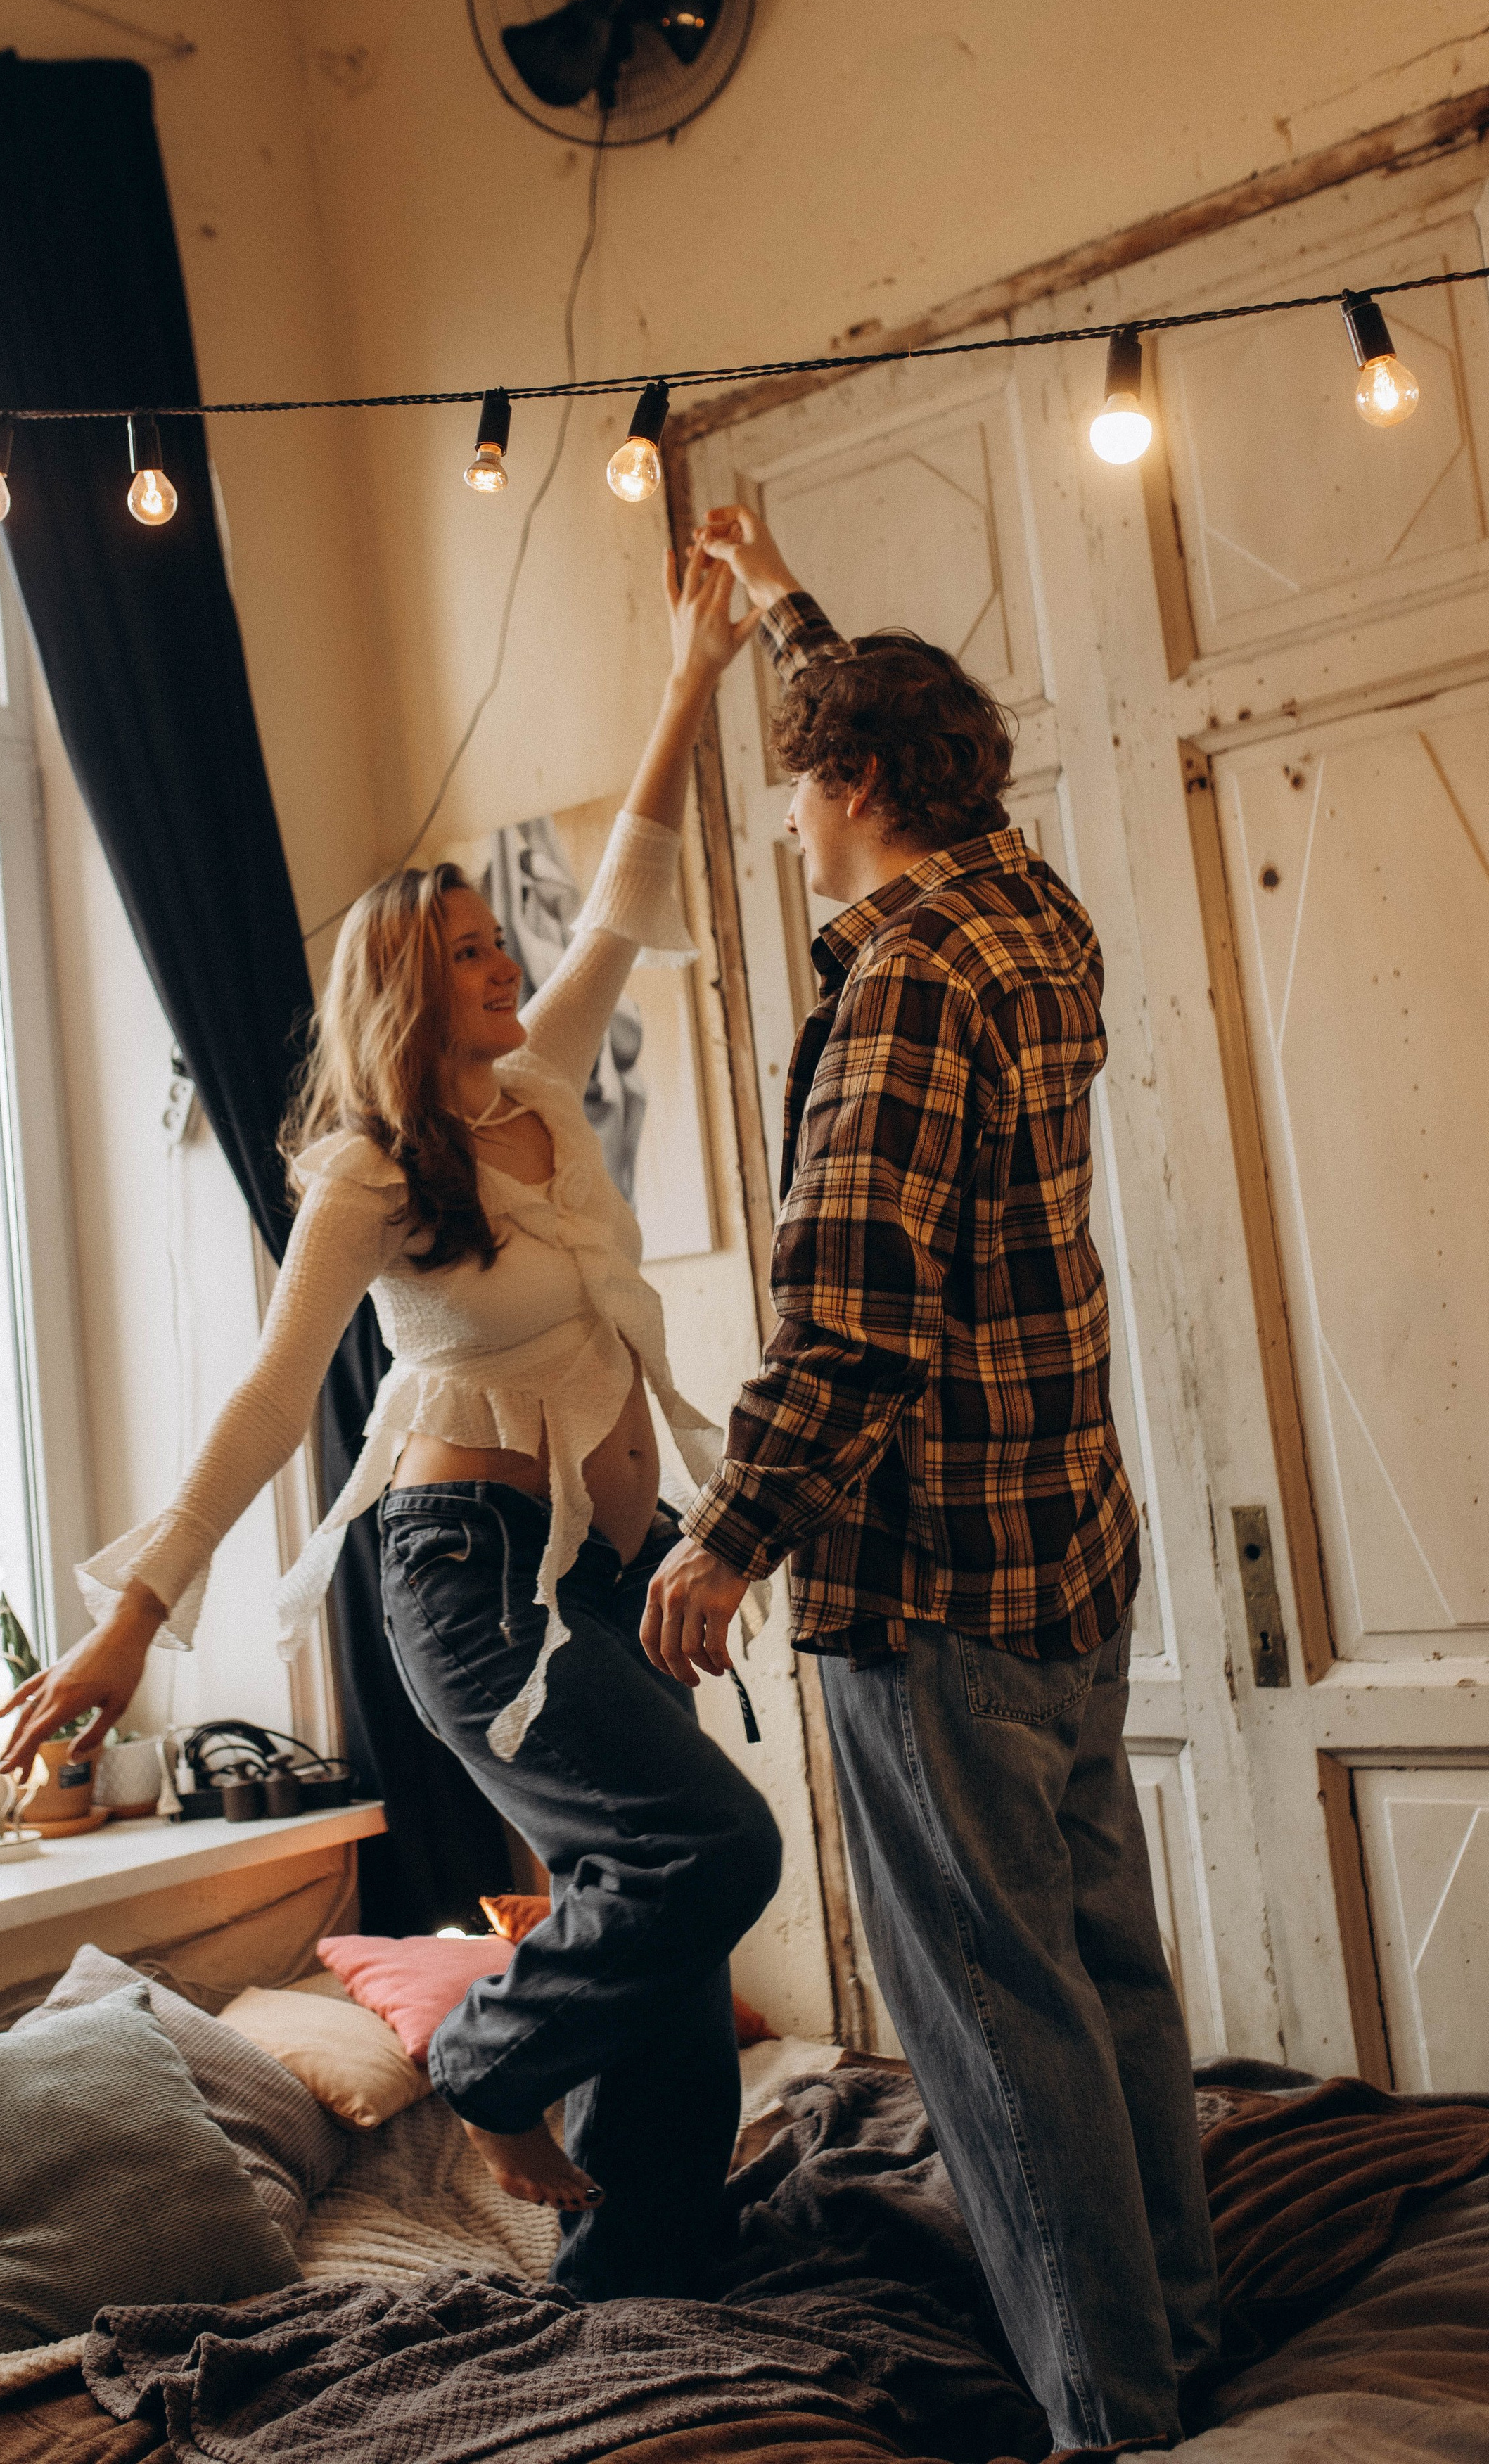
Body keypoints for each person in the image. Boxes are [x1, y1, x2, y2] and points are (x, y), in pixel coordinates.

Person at [0, 540, 781, 2304]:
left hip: (612, 1569)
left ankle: (652, 2267)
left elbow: (622, 898)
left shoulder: (542, 1086)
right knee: (714, 1847)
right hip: (473, 1582)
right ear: (406, 989)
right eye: (469, 954)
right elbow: (274, 1393)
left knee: (652, 1912)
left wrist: (686, 679)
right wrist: (134, 1617)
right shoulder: (366, 1168)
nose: (504, 965)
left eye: (499, 943)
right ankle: (486, 2060)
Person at [643, 505, 1218, 2453]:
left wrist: (726, 1541)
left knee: (991, 2014)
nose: (792, 820)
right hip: (1072, 1557)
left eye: (804, 781)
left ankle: (1108, 2415)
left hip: (937, 1590)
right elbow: (878, 728)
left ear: (861, 785)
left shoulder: (901, 989)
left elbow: (853, 1326)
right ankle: (1177, 2336)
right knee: (1104, 1970)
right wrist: (779, 597)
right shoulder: (1033, 915)